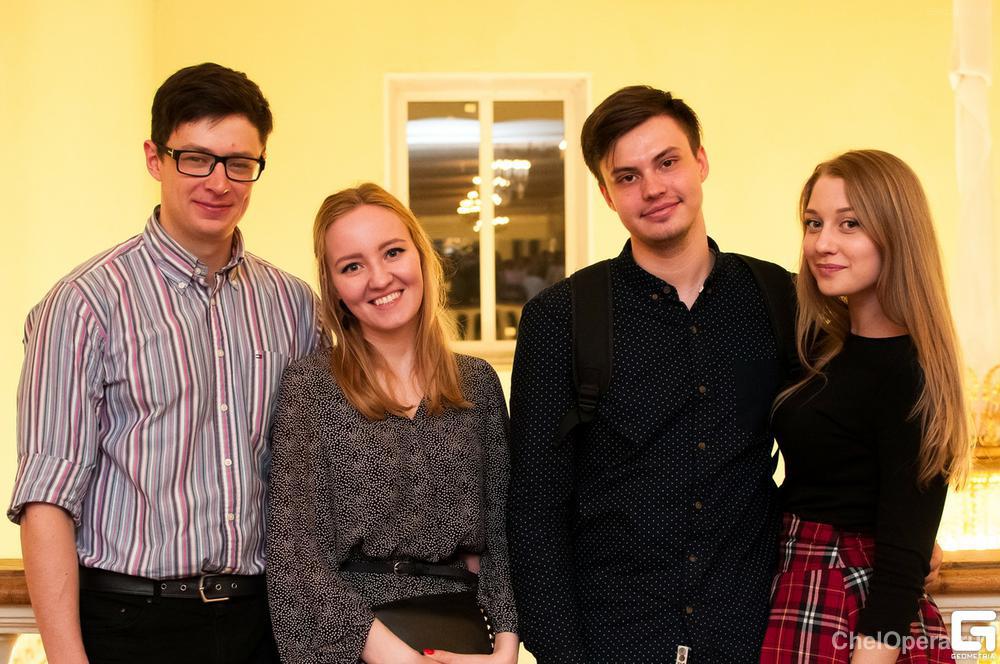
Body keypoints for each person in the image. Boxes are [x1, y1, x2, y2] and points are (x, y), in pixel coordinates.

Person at [8, 63, 322, 663]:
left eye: (239, 163)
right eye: (195, 158)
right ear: (156, 158)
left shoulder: (295, 306)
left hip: (265, 621)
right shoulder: (83, 305)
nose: (219, 182)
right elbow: (47, 500)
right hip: (132, 623)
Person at [507, 85, 797, 663]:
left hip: (753, 636)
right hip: (613, 642)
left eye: (667, 162)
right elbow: (535, 511)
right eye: (628, 176)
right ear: (607, 194)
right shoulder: (560, 318)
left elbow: (824, 451)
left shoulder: (777, 297)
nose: (653, 188)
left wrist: (891, 532)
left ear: (701, 161)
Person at [266, 183, 519, 664]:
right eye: (352, 266)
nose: (379, 278)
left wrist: (506, 647)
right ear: (334, 288)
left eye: (393, 252)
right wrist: (398, 657)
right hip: (354, 642)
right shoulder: (311, 386)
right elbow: (296, 552)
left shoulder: (476, 383)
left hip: (466, 637)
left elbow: (502, 534)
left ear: (421, 256)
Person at [760, 150, 968, 664]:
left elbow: (900, 568)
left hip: (854, 605)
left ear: (897, 235)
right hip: (799, 581)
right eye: (814, 223)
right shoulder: (822, 349)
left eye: (849, 224)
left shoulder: (910, 371)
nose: (822, 243)